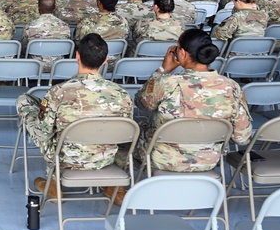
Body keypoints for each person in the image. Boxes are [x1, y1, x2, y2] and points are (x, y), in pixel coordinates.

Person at [121, 29, 251, 199]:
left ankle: (116, 190)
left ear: (181, 53)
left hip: (161, 159)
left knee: (122, 139)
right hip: (208, 160)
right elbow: (242, 137)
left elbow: (142, 103)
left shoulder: (168, 83)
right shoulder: (232, 87)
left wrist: (162, 71)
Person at [16, 34, 133, 197]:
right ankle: (115, 186)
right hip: (106, 158)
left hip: (65, 158)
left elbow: (42, 133)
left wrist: (30, 116)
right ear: (105, 60)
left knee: (25, 101)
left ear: (77, 56)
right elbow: (126, 136)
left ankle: (54, 184)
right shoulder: (122, 94)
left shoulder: (59, 92)